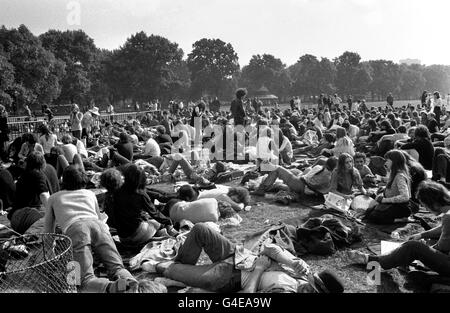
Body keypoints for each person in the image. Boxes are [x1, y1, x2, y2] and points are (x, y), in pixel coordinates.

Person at [155, 223, 344, 293]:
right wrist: (292, 262)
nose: (308, 290)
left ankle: (177, 274)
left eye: (314, 293)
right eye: (312, 286)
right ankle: (183, 274)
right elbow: (269, 248)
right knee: (200, 230)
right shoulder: (303, 273)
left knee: (162, 267)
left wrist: (260, 269)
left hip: (229, 277)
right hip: (239, 255)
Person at [44, 166, 138, 293]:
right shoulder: (90, 194)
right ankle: (130, 283)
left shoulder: (54, 198)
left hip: (76, 229)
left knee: (83, 280)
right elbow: (99, 219)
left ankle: (111, 287)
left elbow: (48, 230)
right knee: (116, 267)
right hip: (98, 227)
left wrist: (50, 251)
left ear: (63, 180)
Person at [347, 181, 450, 278]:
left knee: (413, 246)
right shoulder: (447, 211)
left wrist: (425, 249)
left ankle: (374, 261)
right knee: (420, 244)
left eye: (426, 206)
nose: (427, 209)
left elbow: (442, 247)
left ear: (433, 203)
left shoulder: (448, 217)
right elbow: (443, 228)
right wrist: (422, 235)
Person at [112, 164, 177, 247]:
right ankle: (168, 235)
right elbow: (155, 213)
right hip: (136, 233)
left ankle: (148, 239)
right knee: (158, 223)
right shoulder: (140, 193)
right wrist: (168, 221)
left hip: (122, 237)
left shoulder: (116, 191)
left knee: (148, 221)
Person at [363, 150, 412, 224]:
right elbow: (393, 185)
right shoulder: (395, 174)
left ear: (394, 162)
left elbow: (405, 197)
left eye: (388, 161)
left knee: (374, 217)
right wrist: (384, 188)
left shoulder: (400, 176)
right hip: (394, 204)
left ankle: (401, 220)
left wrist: (384, 200)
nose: (386, 163)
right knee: (368, 212)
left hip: (401, 207)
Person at [251, 157, 338, 197]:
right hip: (309, 191)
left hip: (301, 185)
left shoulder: (319, 168)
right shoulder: (332, 176)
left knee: (278, 169)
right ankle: (266, 172)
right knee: (292, 172)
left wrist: (300, 175)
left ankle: (261, 189)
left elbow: (305, 177)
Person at [7, 152, 50, 234]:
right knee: (55, 221)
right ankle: (29, 237)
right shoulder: (38, 175)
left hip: (15, 217)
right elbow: (44, 196)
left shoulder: (24, 175)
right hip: (25, 216)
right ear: (42, 163)